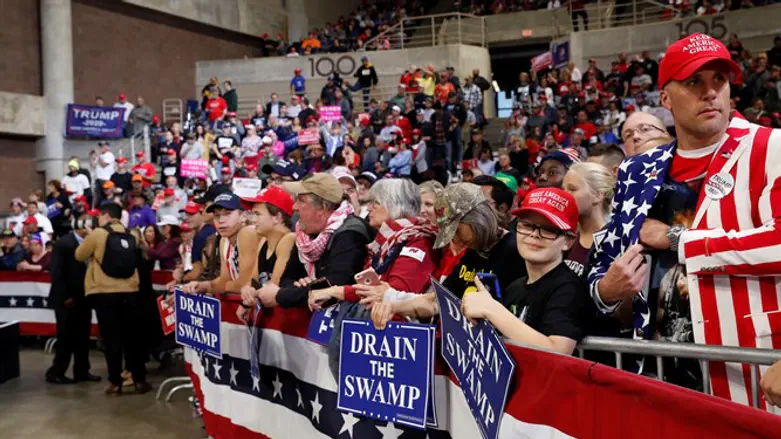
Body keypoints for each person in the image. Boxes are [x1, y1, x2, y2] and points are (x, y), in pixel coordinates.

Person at [590, 33, 781, 405]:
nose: (710, 92)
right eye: (694, 81)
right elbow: (602, 265)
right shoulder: (637, 170)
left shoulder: (771, 147)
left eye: (719, 81)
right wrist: (607, 292)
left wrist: (681, 241)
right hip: (662, 375)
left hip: (752, 372)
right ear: (665, 98)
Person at [460, 188, 590, 355]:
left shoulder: (569, 288)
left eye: (549, 229)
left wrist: (492, 310)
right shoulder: (515, 287)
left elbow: (558, 351)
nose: (534, 235)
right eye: (527, 226)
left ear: (568, 241)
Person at [259, 173, 371, 309]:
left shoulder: (350, 233)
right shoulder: (305, 233)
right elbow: (286, 279)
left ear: (323, 207)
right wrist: (305, 288)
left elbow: (336, 285)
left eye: (301, 200)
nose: (294, 207)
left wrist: (282, 296)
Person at [75, 202, 148, 395]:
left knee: (111, 339)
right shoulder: (132, 234)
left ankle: (116, 383)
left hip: (104, 293)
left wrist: (90, 235)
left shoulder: (98, 234)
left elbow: (79, 255)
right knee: (133, 338)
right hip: (131, 291)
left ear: (105, 216)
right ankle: (139, 380)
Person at [436, 183, 526, 298]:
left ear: (476, 219)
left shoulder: (514, 250)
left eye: (457, 230)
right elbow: (444, 293)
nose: (455, 239)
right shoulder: (474, 247)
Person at [46, 216, 100, 384]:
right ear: (83, 229)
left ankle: (82, 370)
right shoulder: (64, 243)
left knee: (83, 336)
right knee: (66, 337)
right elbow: (56, 272)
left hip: (83, 297)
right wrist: (65, 296)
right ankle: (57, 372)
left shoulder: (89, 244)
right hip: (66, 299)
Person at [181, 193, 260, 297]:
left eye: (227, 214)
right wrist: (202, 286)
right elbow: (224, 279)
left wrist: (215, 287)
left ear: (243, 216)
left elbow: (244, 284)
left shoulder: (248, 233)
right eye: (217, 215)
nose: (221, 220)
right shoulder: (224, 241)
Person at [237, 186, 296, 318]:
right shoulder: (264, 241)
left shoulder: (289, 240)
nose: (253, 220)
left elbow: (272, 288)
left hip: (290, 324)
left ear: (277, 217)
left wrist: (250, 296)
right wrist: (247, 291)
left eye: (258, 214)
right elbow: (253, 281)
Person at [562, 162, 615, 277]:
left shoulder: (613, 242)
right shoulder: (563, 235)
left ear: (598, 195)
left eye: (572, 189)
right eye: (564, 189)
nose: (564, 195)